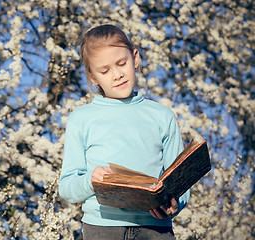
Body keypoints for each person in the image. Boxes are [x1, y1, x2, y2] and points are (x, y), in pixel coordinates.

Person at [58, 24, 190, 240]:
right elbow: (67, 187)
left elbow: (180, 178)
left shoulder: (162, 115)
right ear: (92, 77)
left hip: (156, 228)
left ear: (135, 58)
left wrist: (175, 203)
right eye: (105, 70)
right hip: (102, 228)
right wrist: (91, 181)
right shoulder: (81, 119)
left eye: (122, 63)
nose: (117, 75)